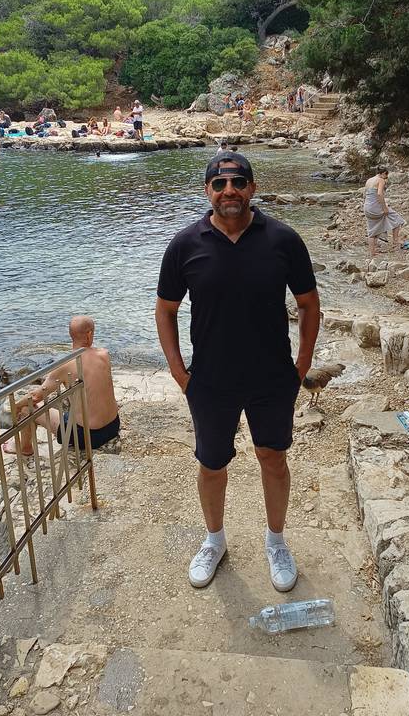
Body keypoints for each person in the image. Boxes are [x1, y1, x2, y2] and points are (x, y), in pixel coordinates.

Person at [156, 153, 320, 591]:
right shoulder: (184, 245)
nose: (229, 190)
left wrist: (300, 366)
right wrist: (177, 370)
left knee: (273, 458)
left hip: (272, 377)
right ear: (207, 190)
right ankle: (214, 541)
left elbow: (308, 304)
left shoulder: (284, 240)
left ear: (252, 187)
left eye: (238, 181)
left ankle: (276, 540)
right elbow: (166, 310)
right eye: (219, 183)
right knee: (211, 464)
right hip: (210, 380)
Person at [4, 316, 119, 455]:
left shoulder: (65, 364)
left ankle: (24, 447)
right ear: (89, 334)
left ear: (71, 335)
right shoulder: (104, 354)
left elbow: (34, 397)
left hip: (88, 436)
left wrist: (15, 407)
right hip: (113, 426)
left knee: (26, 409)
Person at [363, 168, 406, 257]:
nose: (386, 178)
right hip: (376, 207)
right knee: (396, 218)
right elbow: (379, 194)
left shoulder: (369, 180)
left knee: (372, 231)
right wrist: (384, 208)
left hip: (367, 207)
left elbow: (365, 194)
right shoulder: (381, 180)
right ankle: (395, 241)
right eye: (386, 175)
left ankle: (372, 253)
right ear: (382, 173)